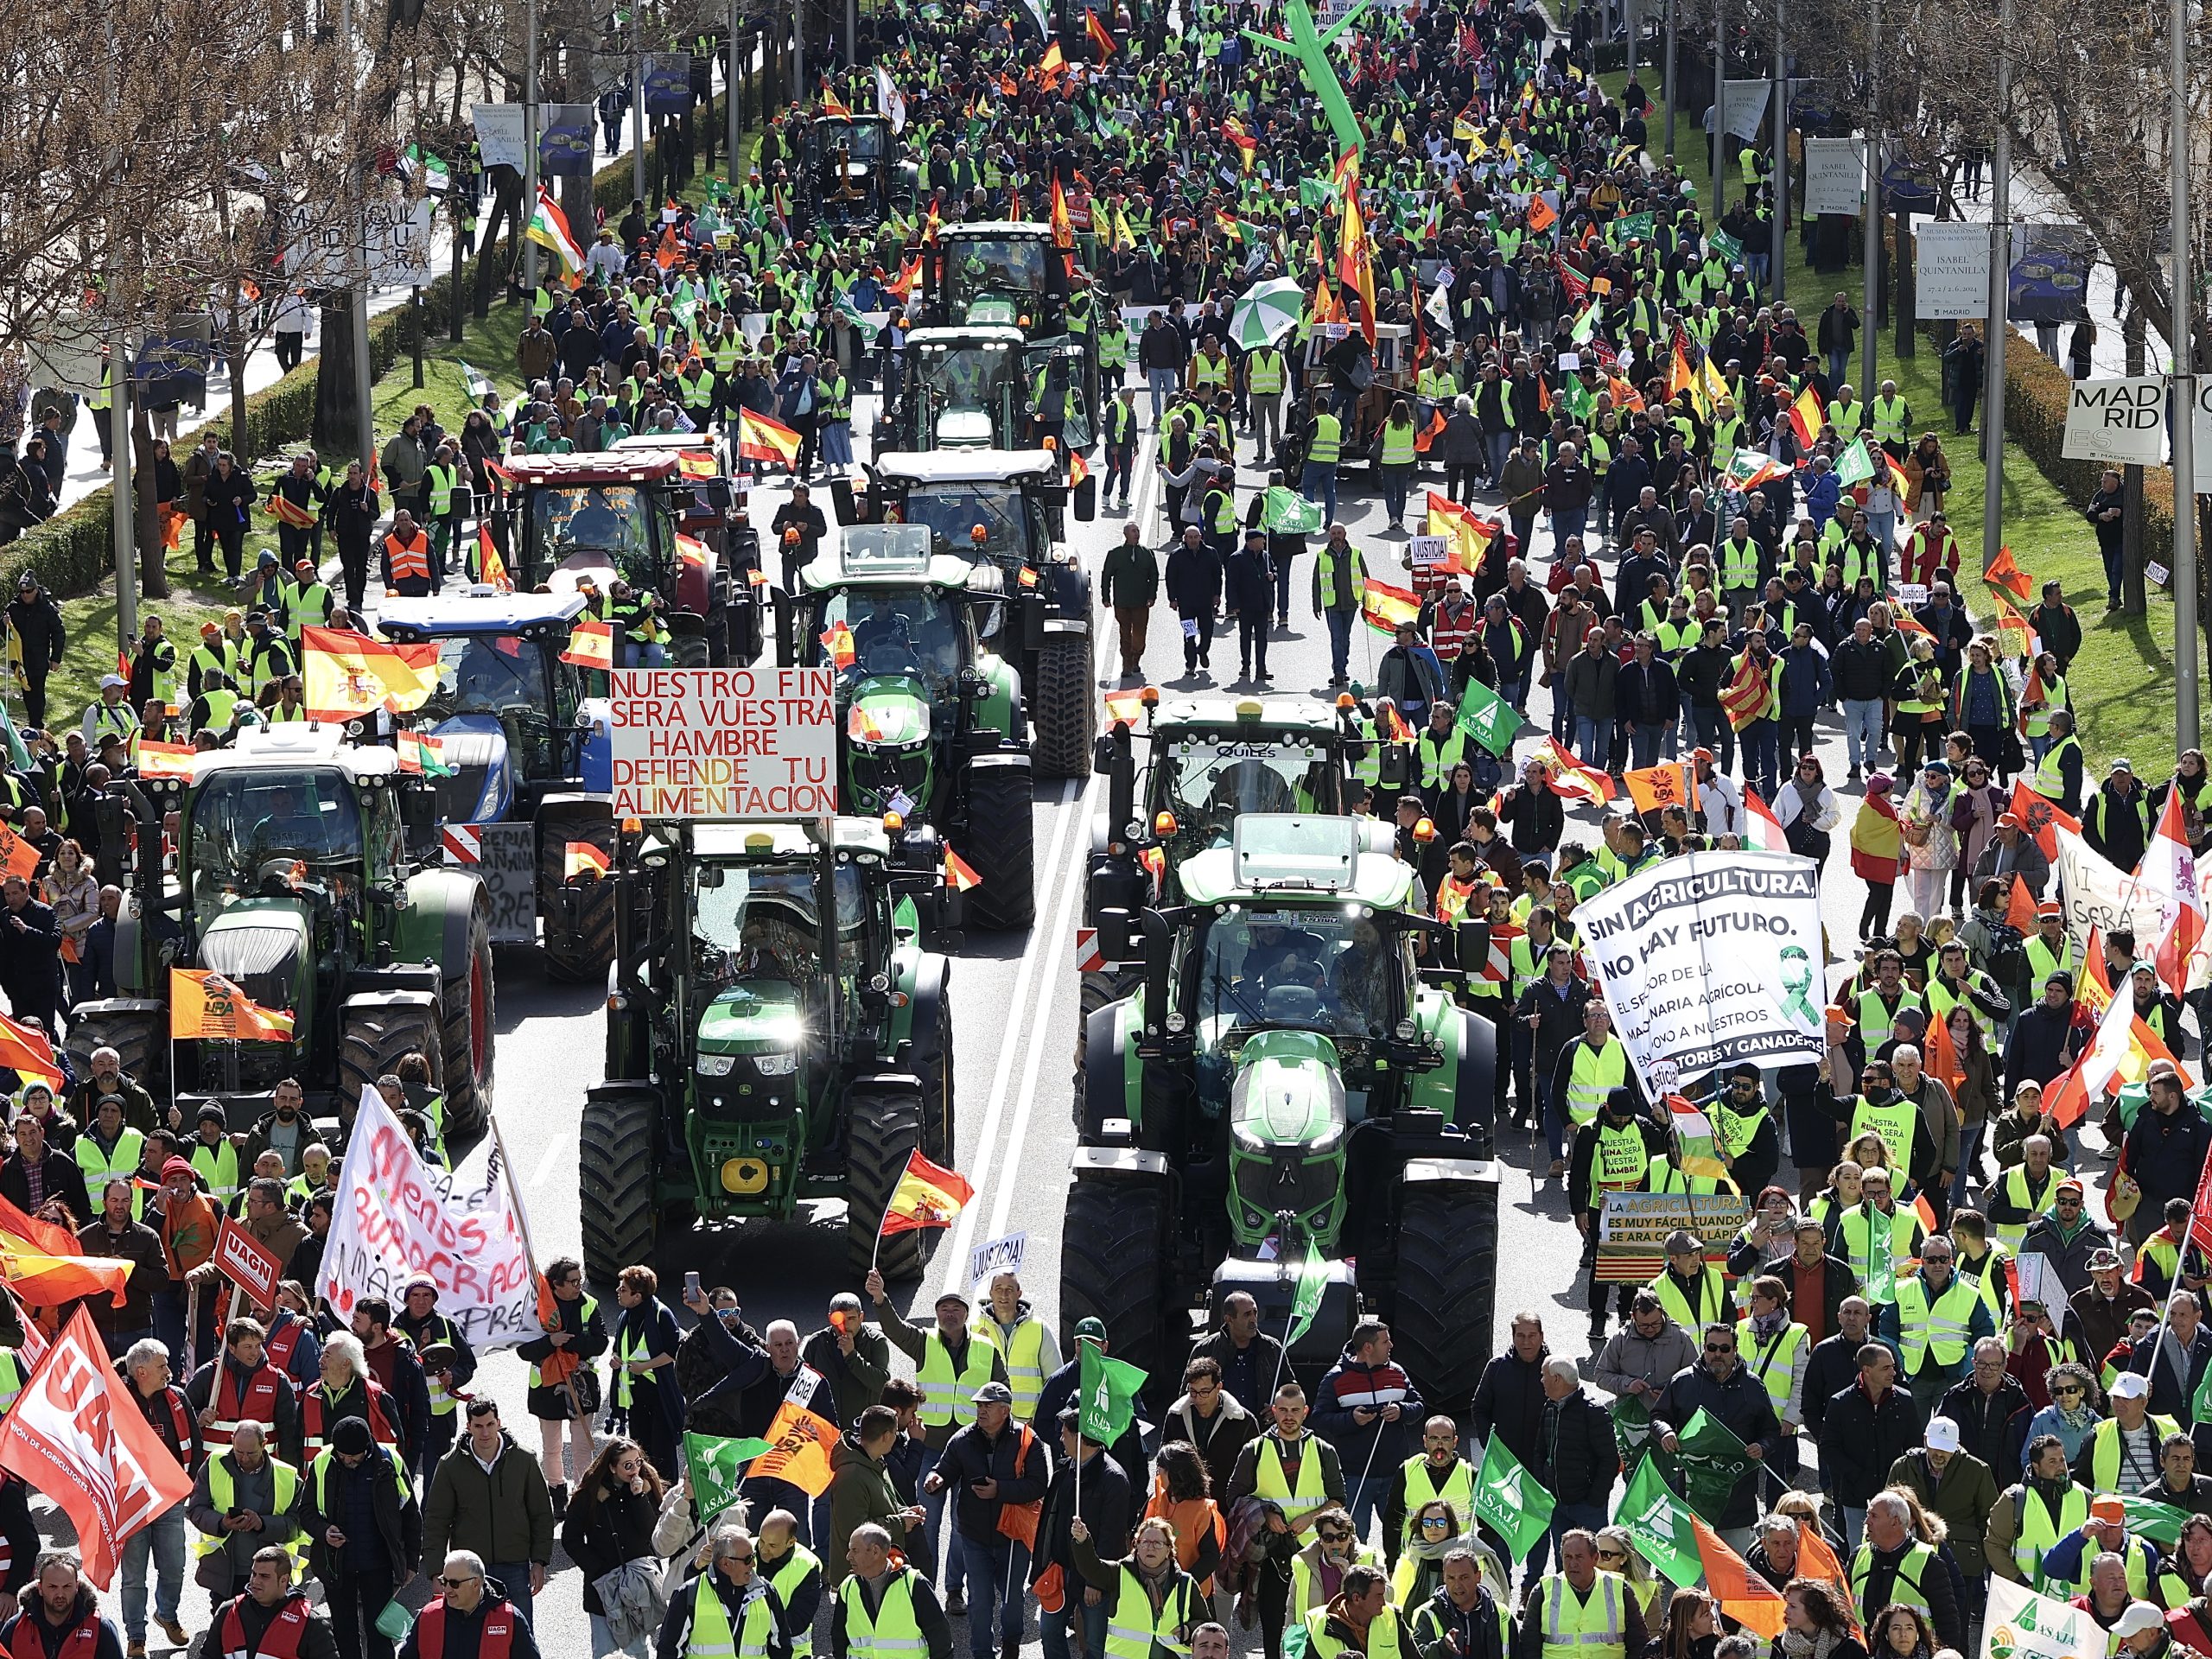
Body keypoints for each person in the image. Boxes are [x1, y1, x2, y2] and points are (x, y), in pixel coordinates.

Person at [867, 1268, 1009, 1611]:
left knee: (963, 1526)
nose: (949, 1314)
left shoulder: (987, 1350)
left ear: (966, 1315)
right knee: (924, 1520)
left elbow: (1005, 1394)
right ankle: (923, 1587)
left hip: (970, 1450)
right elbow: (894, 1330)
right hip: (931, 1448)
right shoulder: (924, 1341)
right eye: (943, 1309)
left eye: (956, 1309)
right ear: (937, 1315)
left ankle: (954, 1590)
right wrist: (881, 1299)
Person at [1226, 1382, 1347, 1659]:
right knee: (1272, 1622)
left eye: (1295, 1410)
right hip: (1271, 1554)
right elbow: (1234, 1497)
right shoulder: (1254, 1450)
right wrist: (1265, 1515)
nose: (1289, 1416)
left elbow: (1339, 1499)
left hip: (1315, 1552)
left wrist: (1311, 1517)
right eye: (1283, 1410)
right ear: (1274, 1411)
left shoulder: (1324, 1450)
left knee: (1316, 1619)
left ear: (1305, 1412)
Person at [929, 1379, 1048, 1659]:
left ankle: (1011, 1645)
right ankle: (982, 1652)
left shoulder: (1028, 1441)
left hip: (1013, 1535)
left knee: (1012, 1599)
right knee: (980, 1602)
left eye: (988, 1406)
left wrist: (1000, 1490)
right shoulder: (962, 1440)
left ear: (1005, 1411)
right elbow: (945, 1468)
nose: (981, 1411)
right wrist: (936, 1478)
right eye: (979, 1406)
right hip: (975, 1536)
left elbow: (1039, 1484)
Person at [422, 1400, 554, 1630]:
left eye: (490, 1424)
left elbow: (541, 1513)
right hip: (469, 1571)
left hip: (515, 1564)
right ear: (468, 1427)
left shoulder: (524, 1459)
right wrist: (435, 1571)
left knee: (520, 1638)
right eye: (478, 1426)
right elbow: (436, 1521)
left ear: (499, 1423)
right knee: (470, 1639)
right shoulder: (449, 1466)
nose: (485, 1432)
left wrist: (540, 1561)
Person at [1652, 1323, 1782, 1548]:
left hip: (1738, 1500)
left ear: (1735, 1349)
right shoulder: (1683, 1381)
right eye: (1711, 1348)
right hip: (1693, 1499)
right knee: (1694, 1577)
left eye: (1724, 1348)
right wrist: (1665, 1431)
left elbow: (1771, 1430)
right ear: (1704, 1348)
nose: (1717, 1354)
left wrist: (1762, 1446)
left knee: (1733, 1578)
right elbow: (1658, 1416)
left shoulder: (1752, 1385)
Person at [304, 1415, 423, 1659]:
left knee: (379, 1631)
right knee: (343, 1633)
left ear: (367, 1447)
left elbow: (411, 1515)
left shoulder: (390, 1462)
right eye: (343, 1456)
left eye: (353, 1457)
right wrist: (324, 1531)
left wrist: (411, 1562)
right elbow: (305, 1511)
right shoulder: (323, 1461)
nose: (347, 1461)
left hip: (378, 1565)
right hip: (337, 1565)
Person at [1311, 1320, 1423, 1540]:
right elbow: (1319, 1418)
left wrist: (1401, 1410)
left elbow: (1418, 1405)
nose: (1391, 1345)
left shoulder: (1396, 1372)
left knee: (1402, 1540)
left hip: (1394, 1474)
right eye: (1385, 1341)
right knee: (1353, 1540)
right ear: (1368, 1347)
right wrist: (1351, 1419)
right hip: (1355, 1477)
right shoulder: (1336, 1378)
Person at [518, 1255, 605, 1518]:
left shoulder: (589, 1304)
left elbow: (600, 1343)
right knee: (552, 1447)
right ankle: (557, 1492)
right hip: (548, 1388)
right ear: (556, 1285)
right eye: (573, 1281)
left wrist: (570, 1343)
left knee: (581, 1447)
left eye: (580, 1280)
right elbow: (523, 1349)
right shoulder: (537, 1309)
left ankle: (582, 1496)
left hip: (581, 1385)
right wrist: (550, 1342)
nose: (579, 1285)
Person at [563, 1438, 664, 1659]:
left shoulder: (646, 1487)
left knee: (638, 1651)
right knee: (605, 1652)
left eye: (638, 1462)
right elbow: (571, 1538)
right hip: (603, 1588)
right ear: (612, 1467)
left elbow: (654, 1533)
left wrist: (639, 1498)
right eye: (627, 1465)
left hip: (638, 1586)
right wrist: (597, 1568)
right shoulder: (590, 1495)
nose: (635, 1470)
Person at [1526, 1357, 1620, 1577]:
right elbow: (1540, 1450)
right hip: (1558, 1505)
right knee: (1566, 1565)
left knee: (1595, 1567)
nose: (1541, 1380)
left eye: (1544, 1376)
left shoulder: (1594, 1412)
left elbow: (1610, 1460)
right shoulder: (1549, 1407)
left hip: (1587, 1507)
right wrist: (1544, 1485)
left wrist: (1595, 1498)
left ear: (1557, 1379)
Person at [188, 1422, 304, 1601]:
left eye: (251, 1453)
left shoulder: (287, 1476)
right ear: (233, 1441)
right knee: (225, 1625)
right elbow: (196, 1509)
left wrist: (263, 1524)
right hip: (225, 1573)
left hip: (269, 1577)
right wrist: (222, 1523)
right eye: (239, 1451)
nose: (244, 1458)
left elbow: (297, 1524)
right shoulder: (214, 1463)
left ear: (264, 1444)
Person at [656, 1523, 792, 1659]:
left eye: (753, 1556)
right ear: (726, 1563)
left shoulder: (767, 1592)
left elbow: (782, 1647)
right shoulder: (688, 1594)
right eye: (748, 1559)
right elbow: (669, 1651)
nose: (753, 1564)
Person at [1850, 1491, 1963, 1650]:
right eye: (1868, 1515)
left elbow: (1948, 1623)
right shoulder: (1858, 1556)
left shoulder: (1928, 1562)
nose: (1867, 1522)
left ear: (1895, 1522)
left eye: (1874, 1516)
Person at [1515, 1529, 1649, 1659]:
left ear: (1595, 1558)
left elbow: (1639, 1643)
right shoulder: (1543, 1591)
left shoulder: (1620, 1589)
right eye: (1567, 1557)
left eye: (1579, 1557)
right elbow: (1529, 1645)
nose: (1573, 1563)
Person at [832, 1524, 954, 1659]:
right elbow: (839, 1638)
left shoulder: (914, 1584)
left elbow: (940, 1638)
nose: (848, 1556)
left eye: (855, 1550)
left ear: (875, 1551)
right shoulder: (847, 1587)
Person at [398, 1550, 543, 1659]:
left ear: (476, 1584)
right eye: (444, 1581)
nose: (447, 1590)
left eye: (454, 1583)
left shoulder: (510, 1619)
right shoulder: (428, 1616)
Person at [4, 1554, 125, 1659]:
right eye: (53, 1587)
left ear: (76, 1587)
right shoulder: (15, 1627)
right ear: (40, 1589)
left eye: (67, 1586)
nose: (60, 1594)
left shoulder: (101, 1628)